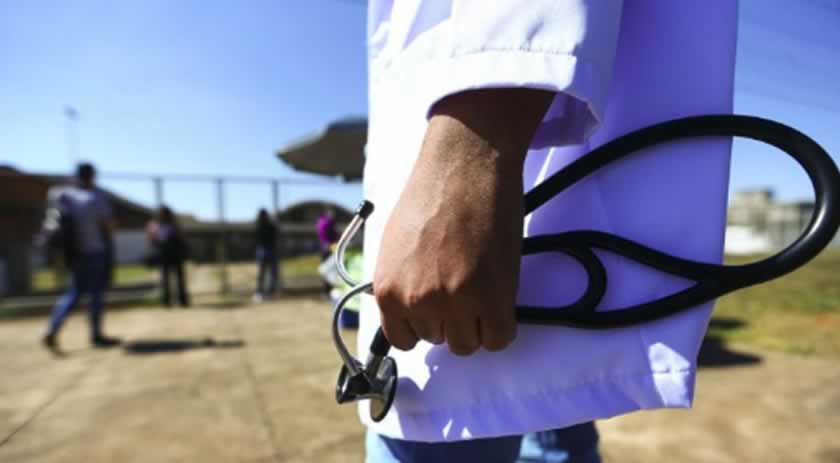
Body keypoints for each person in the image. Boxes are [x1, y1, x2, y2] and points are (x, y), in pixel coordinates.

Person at [359, 1, 738, 462]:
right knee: (549, 404)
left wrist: (468, 149)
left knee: (458, 414)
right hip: (509, 180)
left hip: (471, 170)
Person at [42, 163, 121, 352]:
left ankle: (53, 329)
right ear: (92, 176)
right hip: (94, 251)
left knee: (74, 292)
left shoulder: (62, 195)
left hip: (73, 253)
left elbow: (53, 220)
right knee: (95, 294)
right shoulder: (96, 197)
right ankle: (96, 334)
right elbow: (108, 227)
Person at [146, 206, 190, 308]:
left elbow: (151, 240)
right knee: (170, 278)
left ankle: (174, 301)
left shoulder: (169, 225)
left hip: (171, 254)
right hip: (168, 254)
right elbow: (152, 239)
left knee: (172, 278)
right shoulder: (159, 225)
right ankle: (172, 301)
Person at [254, 208, 280, 301]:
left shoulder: (259, 225)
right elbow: (276, 236)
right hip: (269, 251)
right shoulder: (269, 226)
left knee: (263, 274)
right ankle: (268, 292)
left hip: (264, 251)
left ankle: (261, 292)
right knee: (270, 273)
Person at [317, 208, 339, 295]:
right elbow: (330, 235)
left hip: (326, 247)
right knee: (328, 269)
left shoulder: (322, 222)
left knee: (328, 269)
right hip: (328, 248)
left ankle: (327, 290)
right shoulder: (327, 222)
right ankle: (327, 290)